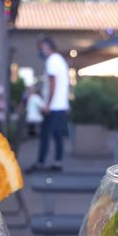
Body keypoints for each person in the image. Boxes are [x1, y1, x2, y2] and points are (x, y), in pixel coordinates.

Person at [27, 37, 70, 172]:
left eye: (40, 48)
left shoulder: (52, 61)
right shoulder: (60, 60)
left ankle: (40, 162)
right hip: (60, 106)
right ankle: (58, 162)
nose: (39, 52)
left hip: (53, 106)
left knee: (45, 134)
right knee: (57, 135)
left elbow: (53, 83)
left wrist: (48, 104)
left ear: (46, 47)